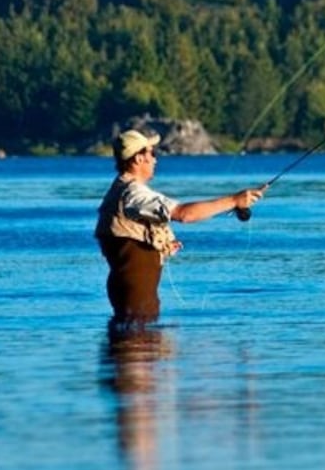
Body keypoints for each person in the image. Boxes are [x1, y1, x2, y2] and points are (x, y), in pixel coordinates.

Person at [95, 129, 265, 325]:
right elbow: (184, 214)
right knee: (139, 346)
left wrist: (158, 247)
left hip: (128, 292)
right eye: (152, 153)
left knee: (137, 346)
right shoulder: (134, 194)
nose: (155, 160)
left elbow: (127, 238)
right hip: (136, 297)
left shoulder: (119, 190)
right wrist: (234, 200)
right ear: (138, 159)